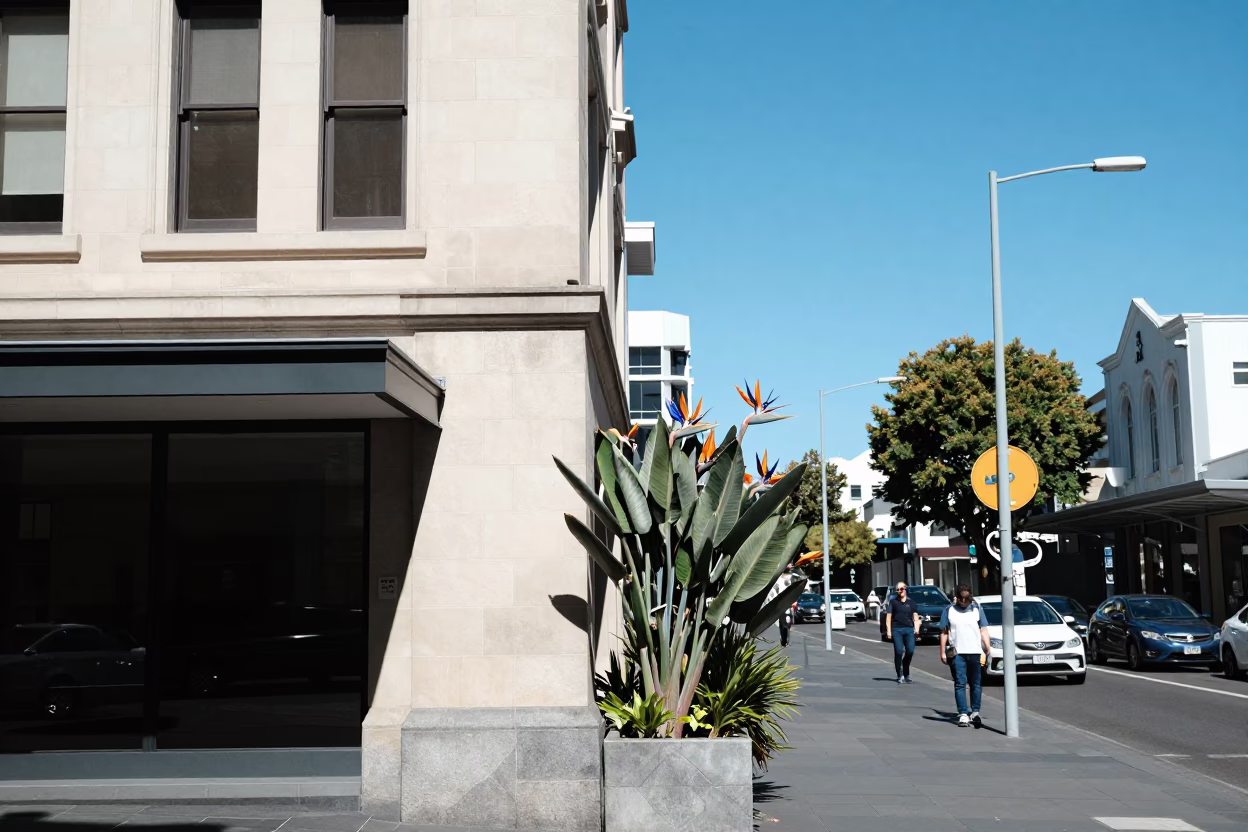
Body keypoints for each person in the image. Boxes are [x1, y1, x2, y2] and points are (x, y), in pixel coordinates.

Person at [939, 584, 992, 728]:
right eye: (961, 598)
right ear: (956, 596)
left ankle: (975, 712)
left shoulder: (977, 609)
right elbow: (944, 632)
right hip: (957, 653)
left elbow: (983, 630)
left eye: (966, 598)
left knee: (976, 683)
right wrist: (942, 651)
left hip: (975, 652)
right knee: (960, 683)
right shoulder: (949, 610)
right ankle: (963, 714)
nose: (963, 601)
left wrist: (988, 648)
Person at [885, 581, 920, 684]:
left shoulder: (912, 603)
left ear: (906, 589)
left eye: (902, 588)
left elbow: (915, 616)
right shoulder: (893, 602)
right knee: (899, 651)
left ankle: (906, 671)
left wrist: (917, 628)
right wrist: (889, 631)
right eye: (898, 589)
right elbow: (889, 617)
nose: (901, 591)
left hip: (909, 629)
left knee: (910, 651)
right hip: (897, 629)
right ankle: (899, 674)